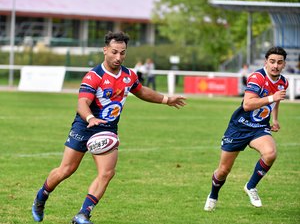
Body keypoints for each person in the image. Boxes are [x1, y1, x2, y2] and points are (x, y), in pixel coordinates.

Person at [31, 31, 187, 224]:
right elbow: (82, 104)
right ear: (105, 50)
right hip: (85, 126)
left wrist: (166, 99)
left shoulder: (129, 75)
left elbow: (142, 91)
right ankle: (41, 197)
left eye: (122, 53)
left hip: (107, 130)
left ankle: (83, 214)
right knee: (67, 169)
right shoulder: (94, 76)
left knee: (107, 173)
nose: (118, 57)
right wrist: (90, 118)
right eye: (114, 52)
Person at [204, 46, 289, 211]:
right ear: (266, 62)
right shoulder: (257, 77)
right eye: (272, 61)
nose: (275, 66)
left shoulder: (283, 81)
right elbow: (248, 104)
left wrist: (275, 119)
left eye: (279, 62)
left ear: (284, 64)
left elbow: (276, 100)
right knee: (223, 170)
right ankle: (213, 195)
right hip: (239, 127)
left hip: (259, 128)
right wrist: (272, 97)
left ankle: (251, 186)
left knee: (270, 153)